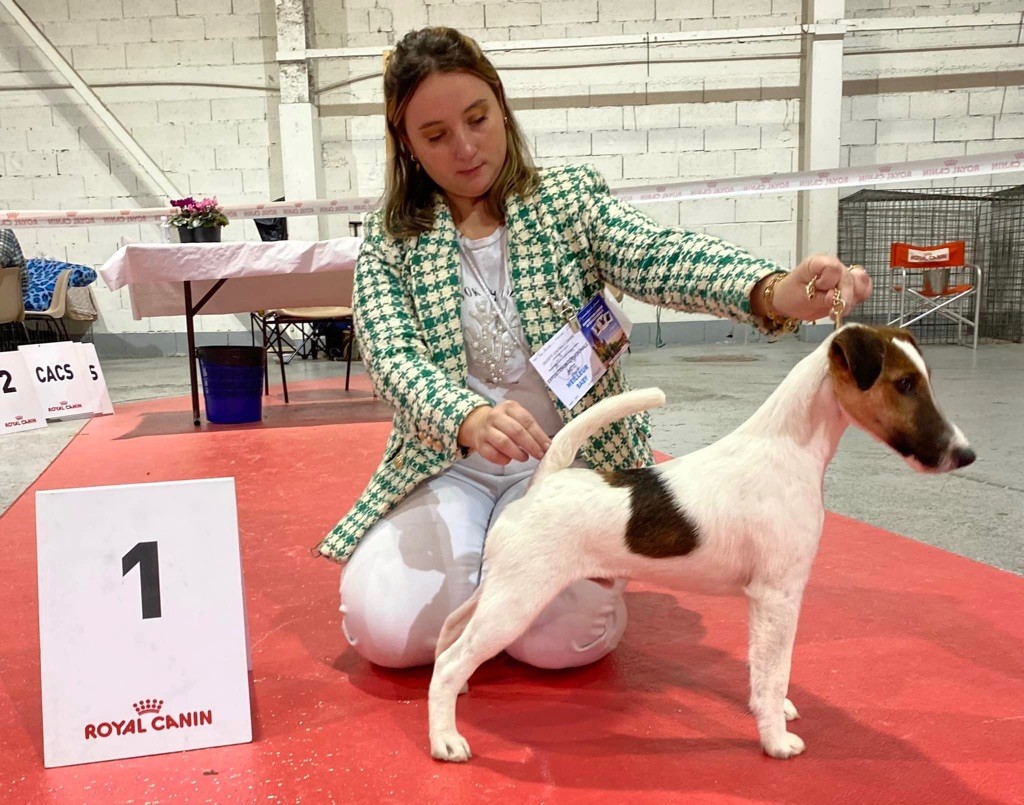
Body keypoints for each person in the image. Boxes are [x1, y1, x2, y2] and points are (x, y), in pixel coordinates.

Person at [317, 27, 872, 671]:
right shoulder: (390, 239)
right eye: (436, 135)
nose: (466, 148)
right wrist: (464, 418)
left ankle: (494, 592)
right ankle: (490, 583)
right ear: (406, 142)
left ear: (501, 106)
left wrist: (772, 291)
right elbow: (390, 359)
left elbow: (662, 256)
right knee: (383, 632)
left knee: (568, 643)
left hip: (577, 471)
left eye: (478, 119)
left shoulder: (568, 199)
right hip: (450, 468)